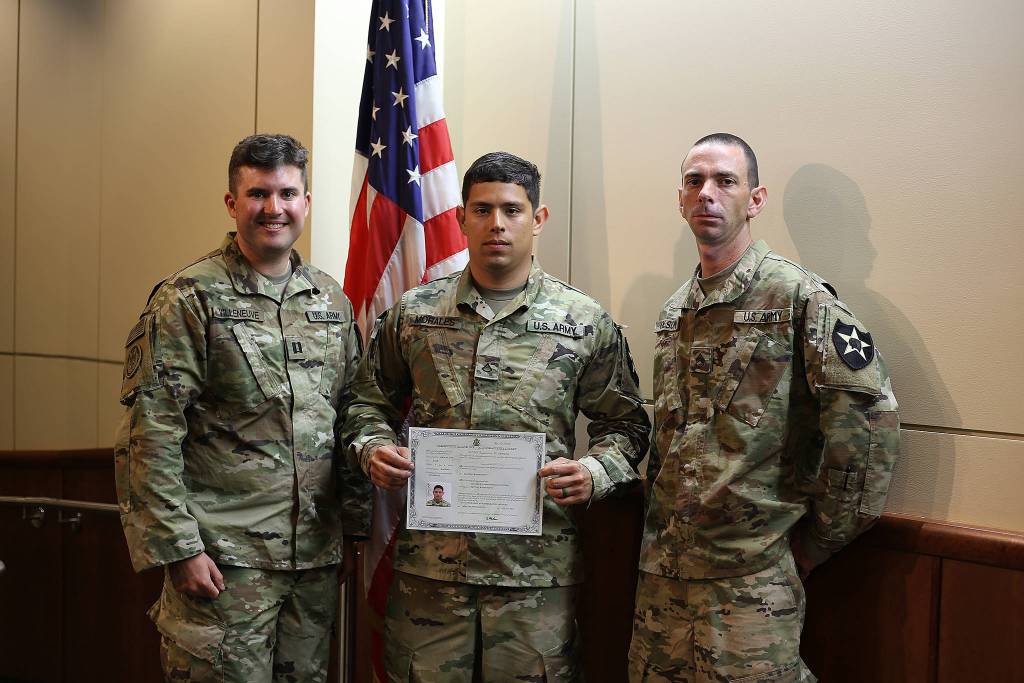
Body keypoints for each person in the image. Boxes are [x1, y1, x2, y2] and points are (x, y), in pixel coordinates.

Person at [343, 151, 651, 682]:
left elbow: (626, 425)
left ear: (538, 218)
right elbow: (365, 402)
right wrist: (372, 447)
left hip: (535, 577)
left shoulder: (583, 321)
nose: (497, 224)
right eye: (482, 210)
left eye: (512, 209)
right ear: (460, 218)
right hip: (431, 575)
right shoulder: (415, 314)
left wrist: (594, 472)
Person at [628, 133, 900, 682]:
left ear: (755, 200)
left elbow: (869, 428)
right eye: (694, 181)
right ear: (680, 200)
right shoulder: (675, 312)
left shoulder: (799, 299)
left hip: (751, 582)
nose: (707, 193)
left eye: (725, 181)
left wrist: (819, 542)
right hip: (664, 573)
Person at [114, 134, 369, 682]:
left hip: (313, 563)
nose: (273, 208)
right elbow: (150, 432)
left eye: (287, 193)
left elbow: (350, 414)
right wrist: (179, 548)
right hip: (223, 561)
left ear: (306, 202)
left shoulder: (330, 300)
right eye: (257, 194)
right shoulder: (189, 298)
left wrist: (354, 528)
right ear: (232, 203)